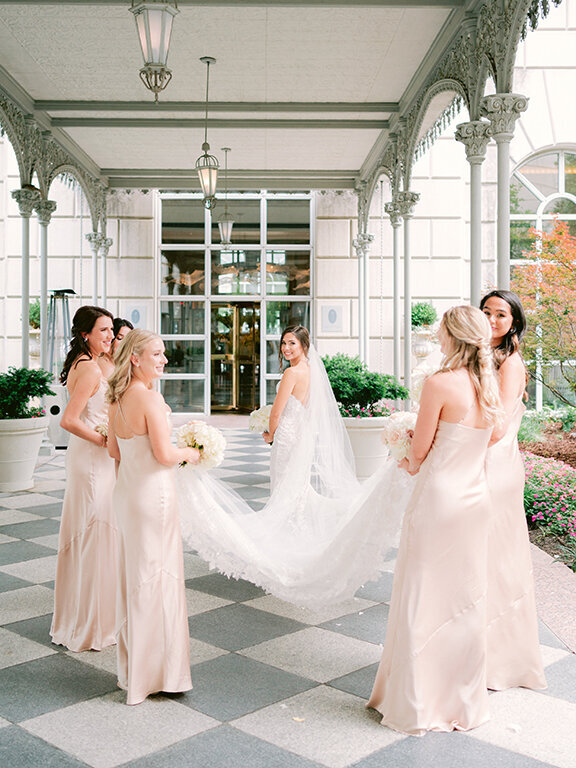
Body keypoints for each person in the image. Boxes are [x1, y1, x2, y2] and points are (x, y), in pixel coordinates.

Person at [176, 325, 413, 608]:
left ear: (304, 345)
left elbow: (277, 410)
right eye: (284, 344)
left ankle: (282, 539)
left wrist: (270, 434)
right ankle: (292, 531)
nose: (287, 349)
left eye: (292, 344)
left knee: (283, 488)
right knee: (295, 487)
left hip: (288, 436)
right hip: (301, 436)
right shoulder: (311, 372)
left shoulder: (291, 373)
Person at [367, 305, 502, 735]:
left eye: (440, 330)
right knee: (465, 599)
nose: (436, 335)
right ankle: (460, 700)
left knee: (423, 595)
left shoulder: (438, 384)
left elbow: (419, 452)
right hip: (474, 502)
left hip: (439, 501)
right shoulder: (488, 387)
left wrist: (402, 447)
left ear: (451, 337)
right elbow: (491, 439)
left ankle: (417, 701)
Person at [106, 329, 198, 706]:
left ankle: (135, 673)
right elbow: (164, 454)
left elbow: (114, 450)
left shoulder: (115, 398)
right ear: (135, 359)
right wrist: (193, 452)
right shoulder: (150, 398)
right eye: (156, 354)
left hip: (127, 496)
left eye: (163, 354)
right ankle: (160, 674)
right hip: (155, 497)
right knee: (159, 579)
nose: (164, 360)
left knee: (136, 580)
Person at [480, 289, 547, 691]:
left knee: (499, 558)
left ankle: (504, 658)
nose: (491, 319)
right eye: (485, 311)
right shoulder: (476, 356)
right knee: (478, 558)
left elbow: (499, 426)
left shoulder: (512, 363)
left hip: (497, 465)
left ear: (514, 323)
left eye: (500, 314)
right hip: (475, 462)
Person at [50, 306, 117, 652]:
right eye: (103, 330)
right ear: (85, 334)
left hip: (90, 456)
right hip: (91, 457)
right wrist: (104, 439)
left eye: (110, 329)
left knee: (93, 532)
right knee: (94, 531)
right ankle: (89, 624)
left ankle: (85, 616)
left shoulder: (87, 363)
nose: (109, 335)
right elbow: (69, 420)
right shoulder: (89, 368)